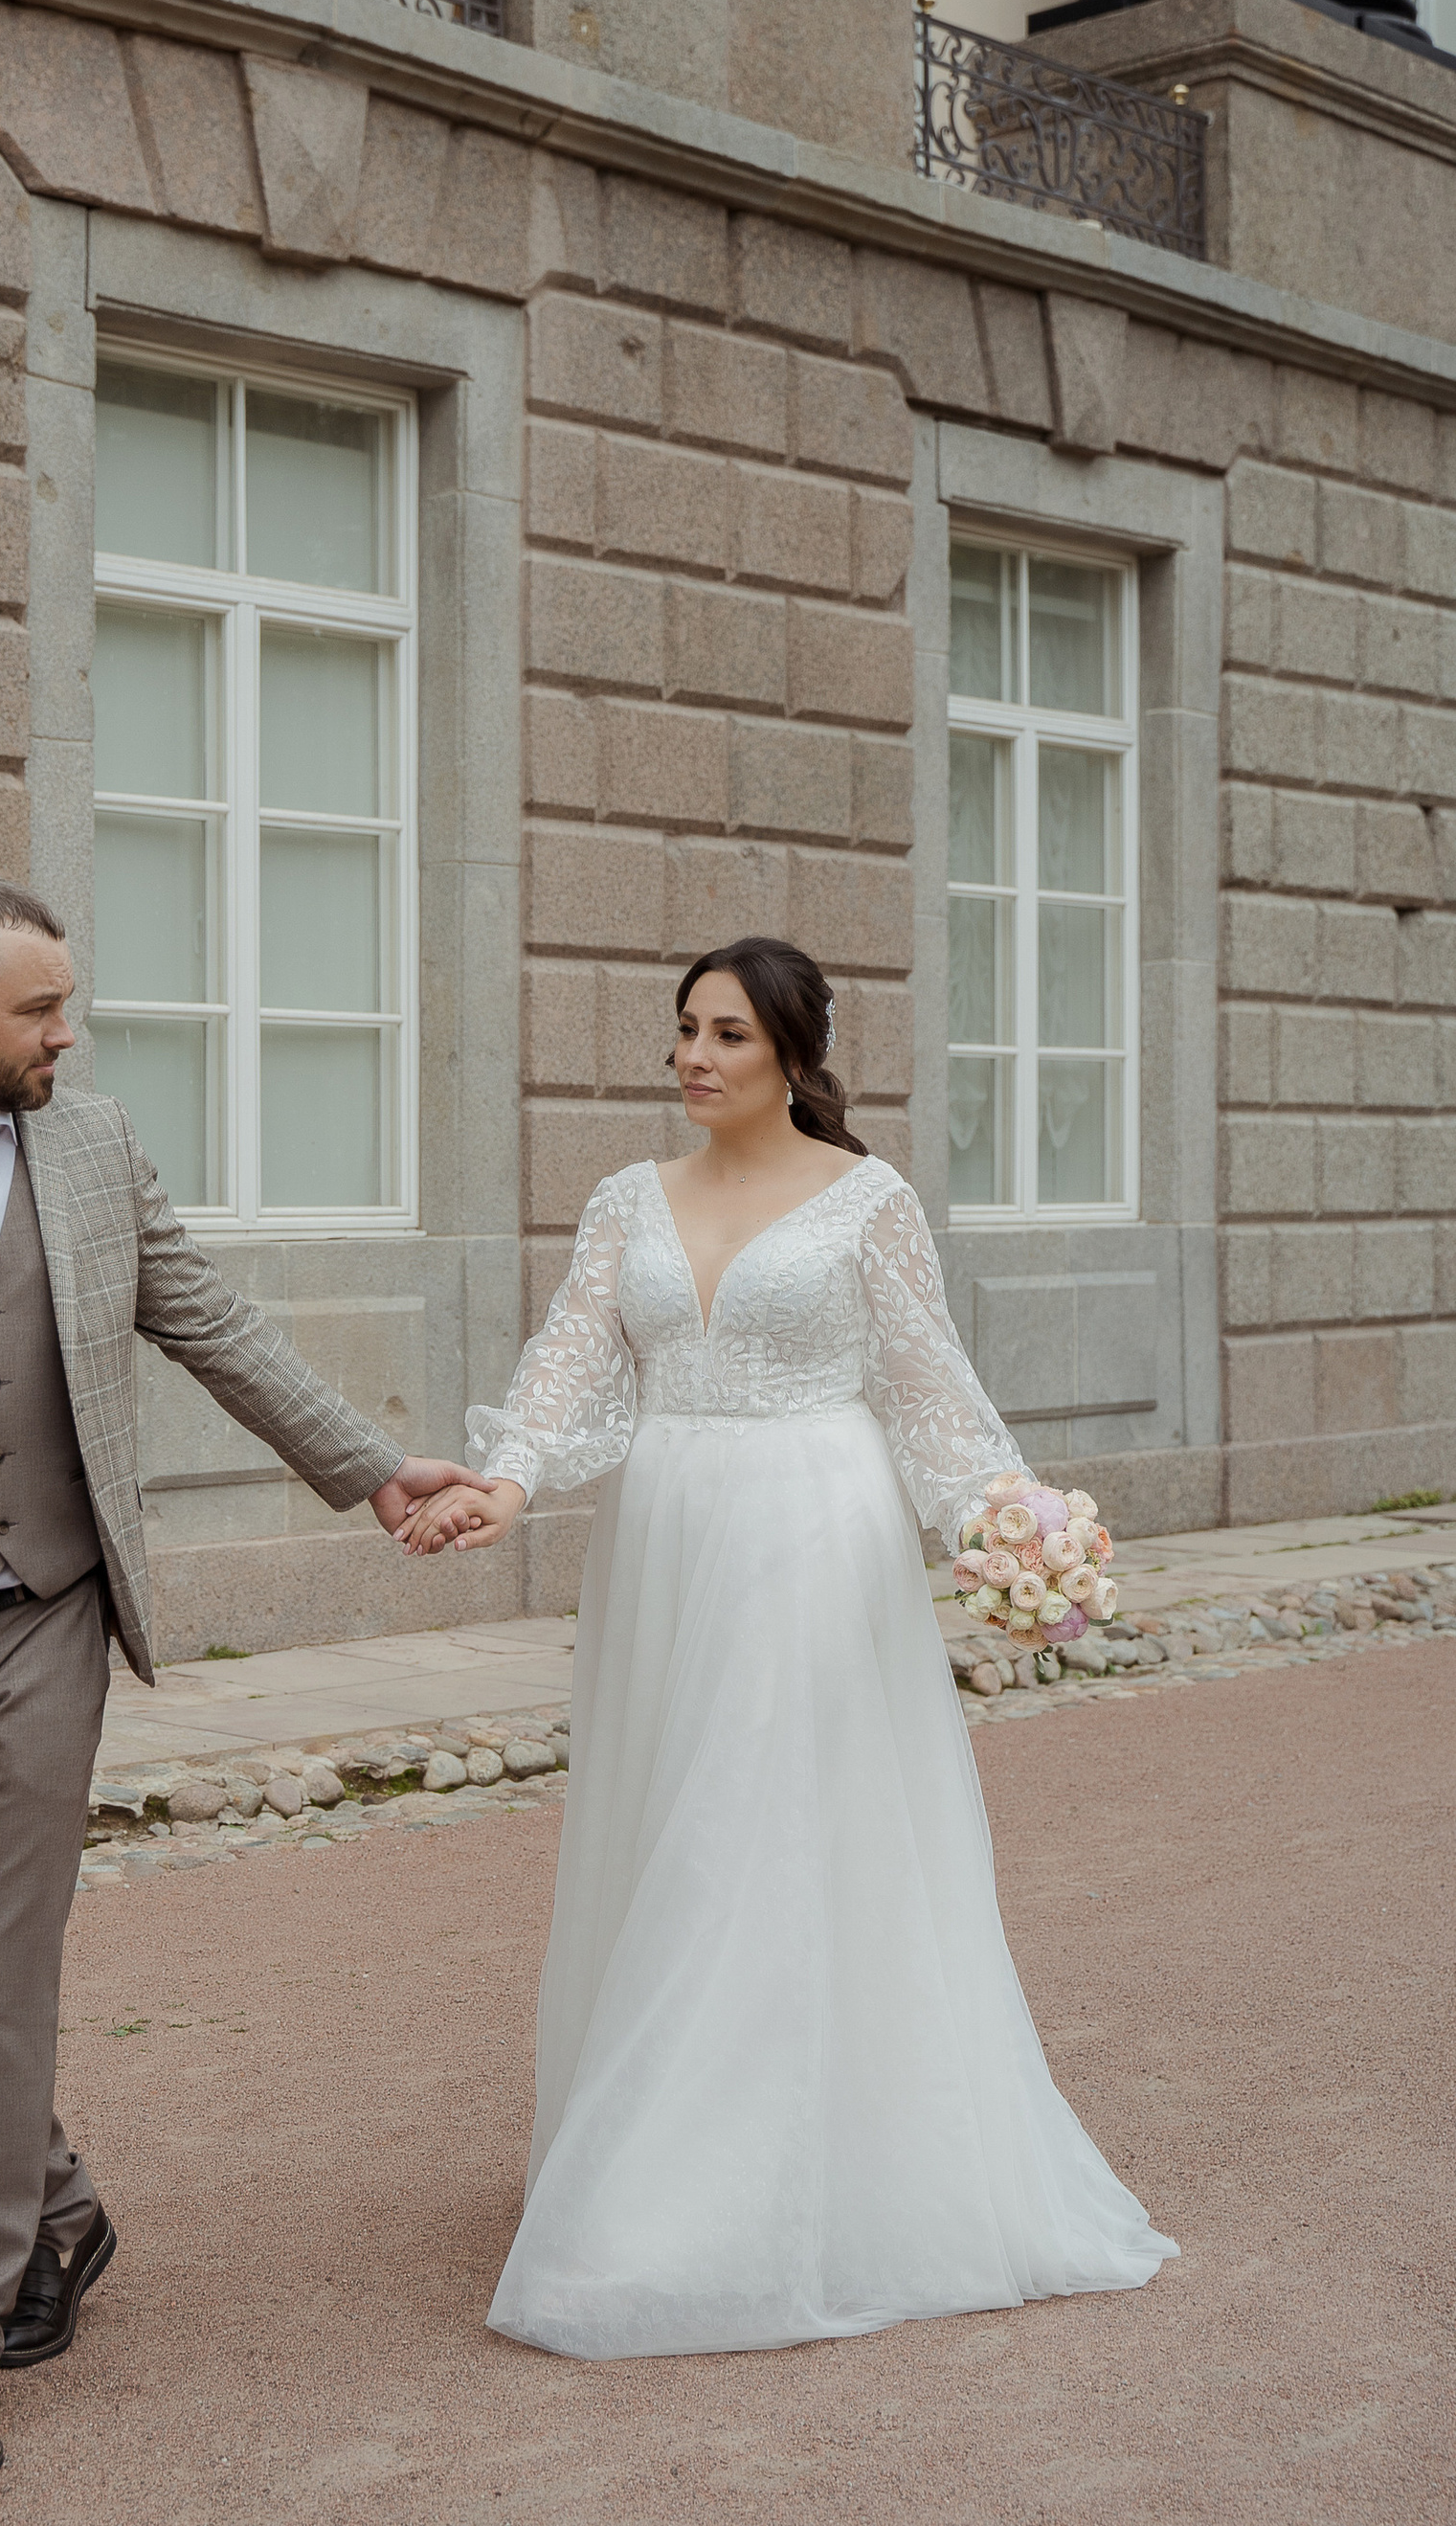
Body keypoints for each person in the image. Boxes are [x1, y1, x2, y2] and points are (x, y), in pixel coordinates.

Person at [0, 871, 467, 2490]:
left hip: (43, 1618)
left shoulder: (97, 1150)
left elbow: (213, 1324)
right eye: (39, 1009)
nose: (68, 1033)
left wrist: (370, 1468)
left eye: (65, 1005)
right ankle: (57, 2202)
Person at [401, 935, 1177, 2360]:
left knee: (749, 1838)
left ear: (795, 1057)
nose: (696, 1056)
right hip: (663, 1546)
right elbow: (573, 1370)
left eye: (730, 1036)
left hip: (814, 1536)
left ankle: (696, 2210)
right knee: (665, 1828)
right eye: (685, 1031)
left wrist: (1007, 1528)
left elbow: (932, 1393)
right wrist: (501, 1486)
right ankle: (678, 2161)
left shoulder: (868, 1204)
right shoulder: (626, 1200)